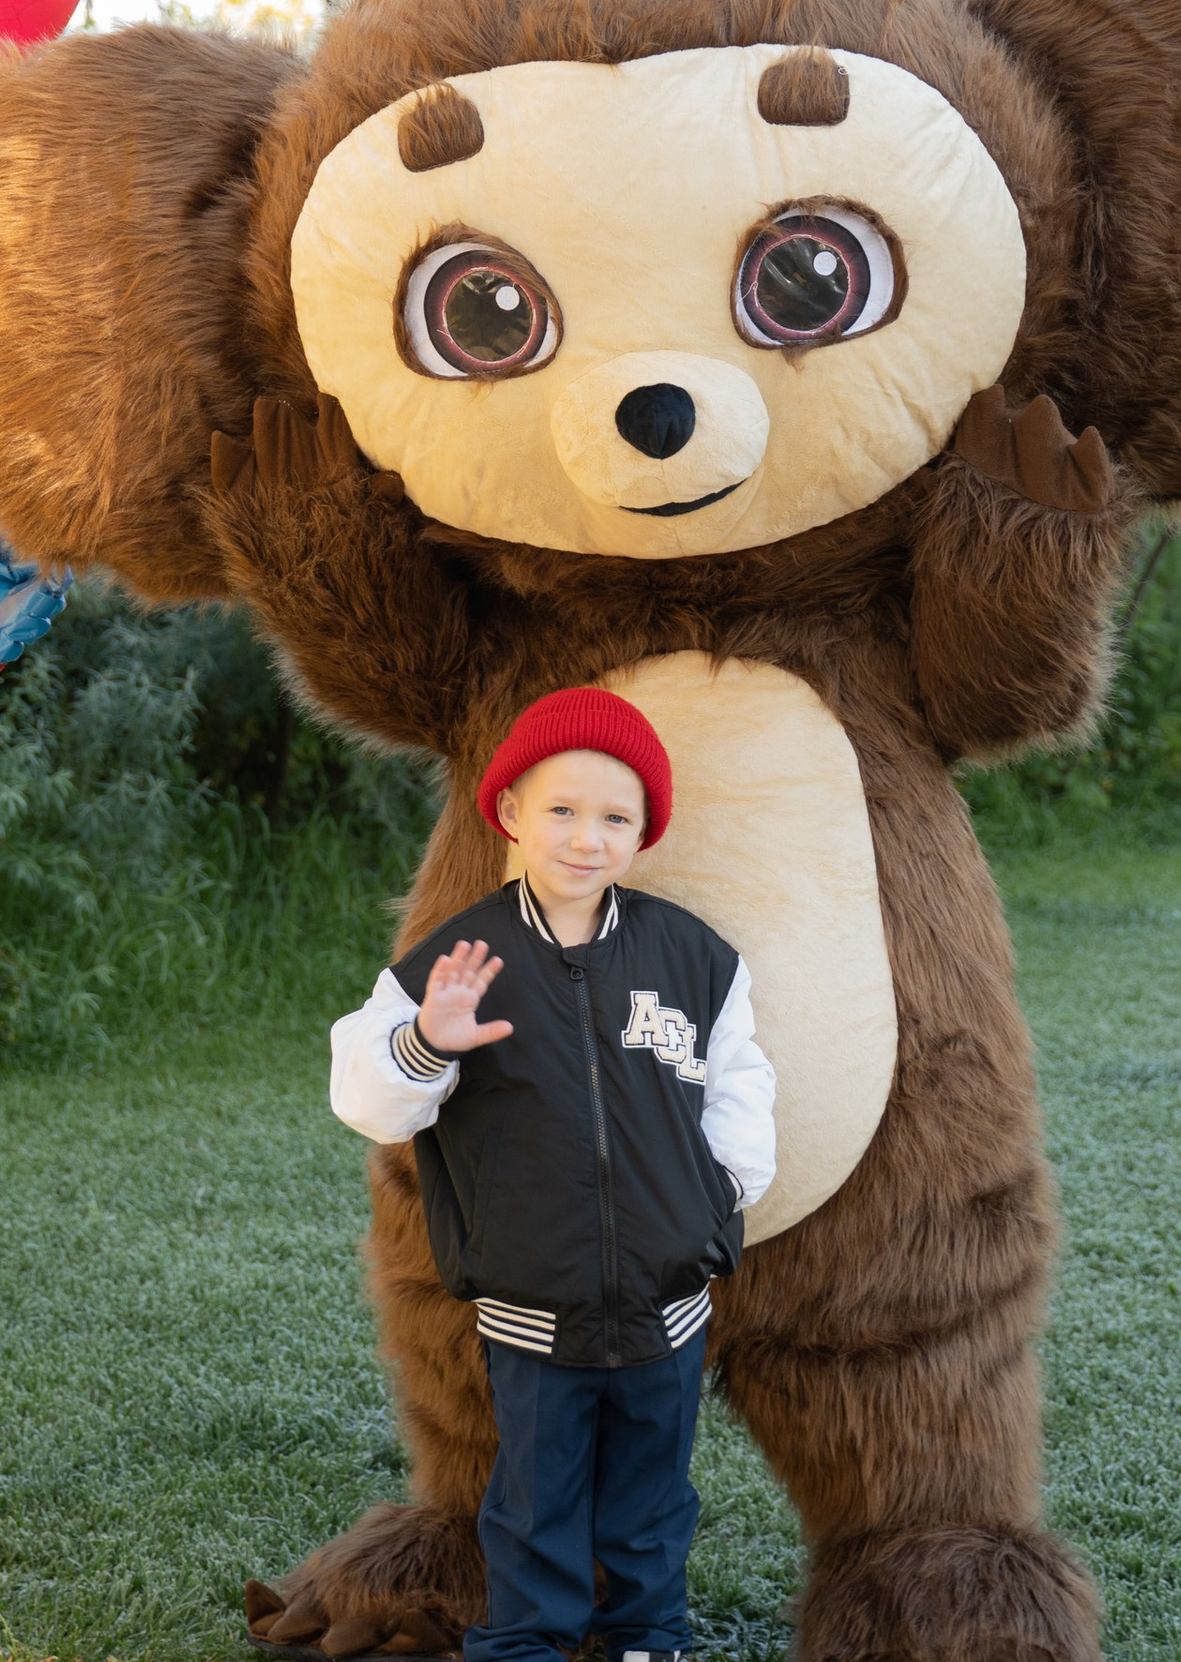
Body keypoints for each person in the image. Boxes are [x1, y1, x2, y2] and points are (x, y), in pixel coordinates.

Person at [331, 688, 778, 1662]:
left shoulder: (691, 957)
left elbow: (740, 1076)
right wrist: (422, 1041)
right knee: (537, 1494)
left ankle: (646, 1635)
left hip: (669, 1297)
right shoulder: (459, 959)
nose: (587, 837)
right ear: (511, 815)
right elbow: (366, 1098)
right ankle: (530, 1637)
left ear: (643, 833)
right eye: (563, 810)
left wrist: (719, 1193)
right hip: (533, 1303)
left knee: (653, 1494)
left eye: (615, 817)